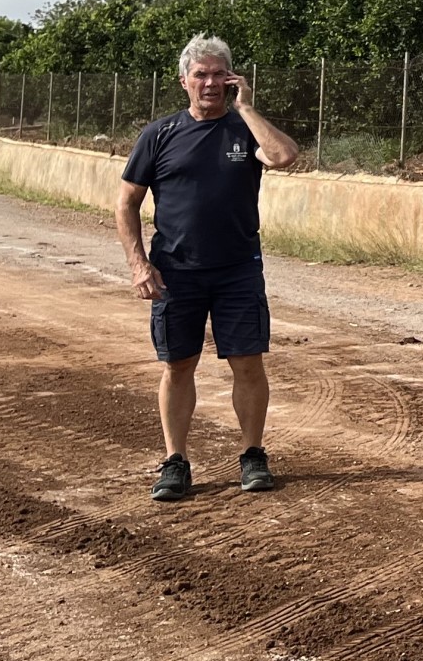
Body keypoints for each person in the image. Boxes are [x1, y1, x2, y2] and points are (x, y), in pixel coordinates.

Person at [116, 35, 300, 502]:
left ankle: (253, 454)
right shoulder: (159, 135)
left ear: (233, 79)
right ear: (184, 82)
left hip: (238, 269)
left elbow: (283, 157)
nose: (211, 82)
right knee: (179, 366)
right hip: (176, 271)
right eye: (201, 74)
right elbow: (126, 205)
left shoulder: (244, 131)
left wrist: (248, 109)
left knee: (247, 363)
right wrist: (139, 265)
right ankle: (175, 462)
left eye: (220, 74)